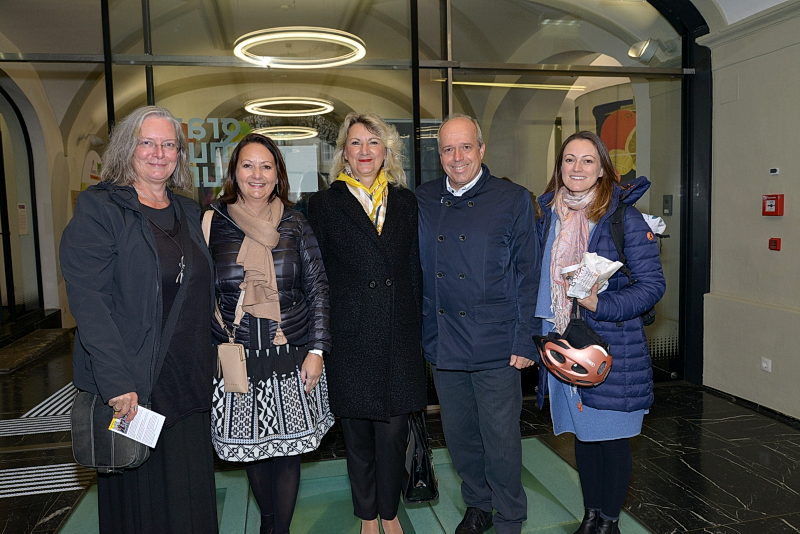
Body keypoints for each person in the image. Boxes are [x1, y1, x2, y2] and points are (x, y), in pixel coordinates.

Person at [60, 106, 218, 533]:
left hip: (189, 384)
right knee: (143, 504)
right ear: (126, 149)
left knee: (190, 499)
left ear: (179, 154)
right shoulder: (101, 209)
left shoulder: (188, 211)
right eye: (147, 142)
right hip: (135, 388)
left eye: (168, 144)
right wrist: (116, 382)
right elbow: (90, 302)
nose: (158, 153)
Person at [535, 131, 665, 534]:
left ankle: (609, 521)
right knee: (585, 437)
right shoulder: (549, 215)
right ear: (559, 167)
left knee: (612, 440)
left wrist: (599, 304)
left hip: (610, 348)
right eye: (569, 159)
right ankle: (591, 517)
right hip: (564, 344)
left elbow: (652, 286)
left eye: (587, 160)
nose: (577, 168)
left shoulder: (624, 218)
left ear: (603, 169)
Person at [416, 114, 539, 534]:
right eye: (448, 149)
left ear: (482, 150)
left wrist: (525, 340)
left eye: (466, 147)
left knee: (501, 439)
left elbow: (529, 274)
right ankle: (478, 505)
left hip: (497, 341)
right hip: (444, 339)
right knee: (460, 435)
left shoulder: (512, 199)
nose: (457, 157)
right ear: (439, 156)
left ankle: (510, 515)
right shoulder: (423, 198)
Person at [206, 133, 333, 534]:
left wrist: (317, 350)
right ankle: (268, 523)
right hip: (238, 357)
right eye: (248, 165)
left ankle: (278, 530)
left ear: (278, 174)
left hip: (290, 353)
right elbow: (201, 293)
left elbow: (318, 289)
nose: (257, 174)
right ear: (234, 172)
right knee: (253, 452)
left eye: (266, 166)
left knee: (287, 453)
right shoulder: (213, 222)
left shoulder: (296, 222)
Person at [307, 112, 426, 534]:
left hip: (397, 335)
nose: (364, 151)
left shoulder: (405, 201)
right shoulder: (323, 205)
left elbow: (414, 270)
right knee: (357, 437)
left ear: (386, 151)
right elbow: (317, 279)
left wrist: (417, 333)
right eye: (355, 143)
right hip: (350, 337)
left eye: (373, 142)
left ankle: (389, 513)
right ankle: (367, 517)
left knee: (393, 437)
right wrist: (320, 340)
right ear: (343, 152)